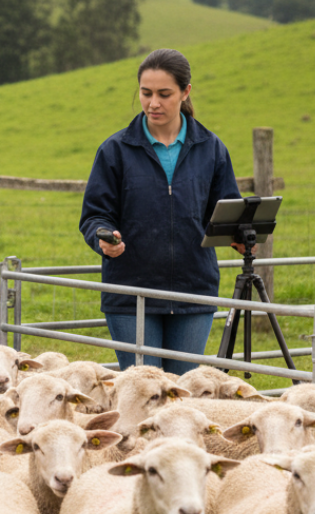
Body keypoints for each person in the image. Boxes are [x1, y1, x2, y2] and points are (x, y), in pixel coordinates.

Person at [79, 47, 241, 375]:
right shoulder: (115, 150)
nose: (154, 103)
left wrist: (237, 235)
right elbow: (94, 215)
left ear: (185, 92)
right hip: (131, 292)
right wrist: (103, 239)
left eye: (164, 94)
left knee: (181, 393)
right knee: (144, 392)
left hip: (194, 291)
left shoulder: (211, 149)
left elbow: (225, 210)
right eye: (146, 93)